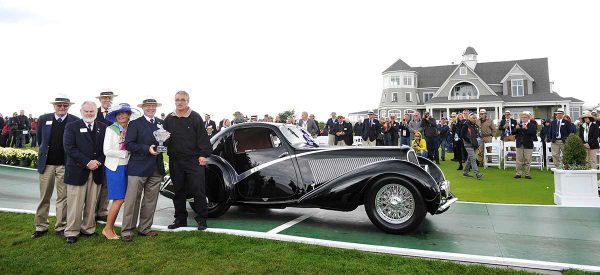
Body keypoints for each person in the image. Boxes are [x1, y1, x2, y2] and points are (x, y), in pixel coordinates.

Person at [163, 91, 212, 231]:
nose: (179, 102)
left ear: (187, 101)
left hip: (194, 161)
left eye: (182, 100)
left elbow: (203, 138)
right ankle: (180, 219)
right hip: (175, 160)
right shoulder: (169, 118)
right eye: (177, 100)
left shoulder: (195, 117)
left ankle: (202, 219)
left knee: (198, 191)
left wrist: (203, 155)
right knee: (178, 191)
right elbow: (164, 138)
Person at [31, 95, 79, 238]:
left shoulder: (75, 120)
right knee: (44, 196)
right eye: (59, 105)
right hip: (47, 165)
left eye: (65, 105)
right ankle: (41, 226)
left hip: (65, 165)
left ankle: (61, 226)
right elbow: (41, 140)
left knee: (63, 197)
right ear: (54, 106)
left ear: (69, 106)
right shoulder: (44, 118)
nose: (62, 107)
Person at [122, 97, 166, 242]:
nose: (151, 108)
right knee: (132, 200)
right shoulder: (135, 123)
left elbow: (163, 142)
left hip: (156, 168)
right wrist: (147, 149)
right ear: (143, 108)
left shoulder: (161, 123)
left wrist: (167, 140)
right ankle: (127, 230)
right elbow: (129, 144)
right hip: (138, 167)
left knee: (150, 201)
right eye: (148, 106)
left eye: (153, 106)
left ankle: (145, 228)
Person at [63, 101, 107, 244]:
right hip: (77, 171)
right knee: (75, 204)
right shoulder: (72, 127)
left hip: (96, 171)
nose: (89, 114)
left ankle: (88, 228)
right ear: (81, 111)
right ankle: (71, 231)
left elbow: (105, 150)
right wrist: (88, 162)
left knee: (91, 203)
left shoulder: (103, 127)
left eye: (92, 111)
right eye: (86, 111)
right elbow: (69, 148)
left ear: (96, 112)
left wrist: (98, 162)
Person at [101, 103, 133, 240]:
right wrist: (124, 153)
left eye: (124, 113)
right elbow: (106, 151)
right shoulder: (111, 129)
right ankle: (107, 229)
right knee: (118, 199)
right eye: (118, 114)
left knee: (123, 198)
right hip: (115, 167)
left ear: (128, 115)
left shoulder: (131, 128)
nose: (121, 116)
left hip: (128, 166)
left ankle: (110, 227)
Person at [95, 90, 117, 222]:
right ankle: (91, 211)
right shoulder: (94, 112)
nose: (107, 100)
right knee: (94, 184)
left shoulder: (116, 114)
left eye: (109, 98)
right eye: (104, 98)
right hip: (96, 153)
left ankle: (102, 210)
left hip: (111, 154)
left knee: (106, 184)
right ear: (100, 100)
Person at [514, 111, 538, 179]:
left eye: (525, 117)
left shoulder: (532, 125)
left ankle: (527, 174)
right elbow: (513, 133)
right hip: (519, 144)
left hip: (528, 145)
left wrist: (527, 129)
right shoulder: (519, 125)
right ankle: (518, 173)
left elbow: (533, 133)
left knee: (528, 160)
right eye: (522, 117)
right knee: (519, 160)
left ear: (528, 118)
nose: (523, 119)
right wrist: (516, 128)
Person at [461, 113, 483, 180]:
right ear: (469, 118)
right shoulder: (465, 125)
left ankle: (465, 172)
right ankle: (477, 173)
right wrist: (469, 141)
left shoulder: (476, 126)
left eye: (475, 118)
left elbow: (477, 135)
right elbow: (462, 135)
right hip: (468, 144)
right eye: (473, 118)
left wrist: (478, 140)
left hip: (474, 144)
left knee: (470, 159)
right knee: (473, 158)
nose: (475, 119)